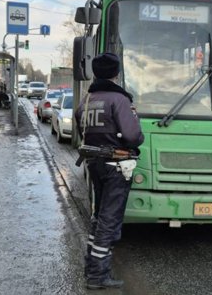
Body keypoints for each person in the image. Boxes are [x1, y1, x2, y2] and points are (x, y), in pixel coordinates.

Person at [74, 53, 144, 290]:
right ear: (116, 73)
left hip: (94, 163)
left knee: (98, 217)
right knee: (109, 221)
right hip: (117, 166)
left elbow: (78, 120)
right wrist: (137, 135)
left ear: (95, 73)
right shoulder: (119, 99)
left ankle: (90, 265)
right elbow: (133, 136)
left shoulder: (89, 98)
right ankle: (97, 276)